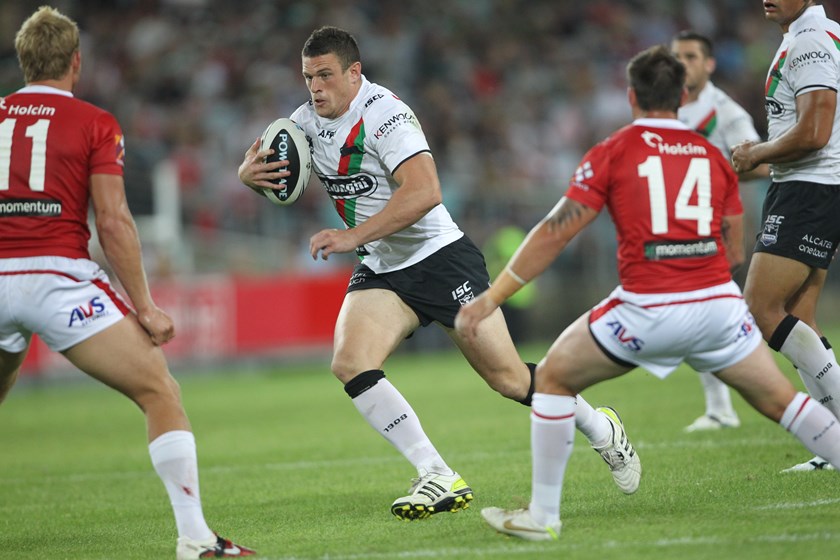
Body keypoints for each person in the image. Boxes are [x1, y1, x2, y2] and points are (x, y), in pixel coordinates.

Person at [238, 26, 641, 521]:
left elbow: (426, 191)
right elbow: (276, 177)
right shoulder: (301, 124)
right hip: (384, 267)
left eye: (325, 75)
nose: (315, 87)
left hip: (440, 258)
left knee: (509, 380)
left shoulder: (386, 116)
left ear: (354, 73)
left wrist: (352, 236)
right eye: (308, 77)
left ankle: (602, 428)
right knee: (350, 362)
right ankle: (436, 473)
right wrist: (248, 177)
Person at [455, 45, 840, 541]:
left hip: (646, 308)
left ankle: (543, 516)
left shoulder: (614, 150)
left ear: (631, 96)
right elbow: (734, 246)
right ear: (682, 96)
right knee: (784, 402)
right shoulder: (712, 156)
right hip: (718, 307)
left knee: (551, 379)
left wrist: (492, 298)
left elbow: (556, 231)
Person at [0, 7, 253, 559]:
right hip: (57, 280)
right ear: (76, 62)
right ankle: (196, 539)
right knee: (159, 391)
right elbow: (112, 222)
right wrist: (147, 306)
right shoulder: (94, 122)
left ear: (23, 62)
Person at [731, 0, 840, 472]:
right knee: (799, 317)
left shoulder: (810, 40)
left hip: (809, 188)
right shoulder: (820, 34)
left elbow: (814, 131)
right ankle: (831, 446)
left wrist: (758, 152)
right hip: (809, 187)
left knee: (761, 308)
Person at [671, 30, 770, 433]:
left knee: (704, 314)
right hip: (678, 226)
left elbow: (760, 163)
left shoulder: (724, 110)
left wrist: (708, 175)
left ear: (709, 64)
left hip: (714, 224)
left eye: (691, 56)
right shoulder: (668, 108)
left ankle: (730, 404)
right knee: (695, 316)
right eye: (677, 57)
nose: (682, 64)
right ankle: (720, 407)